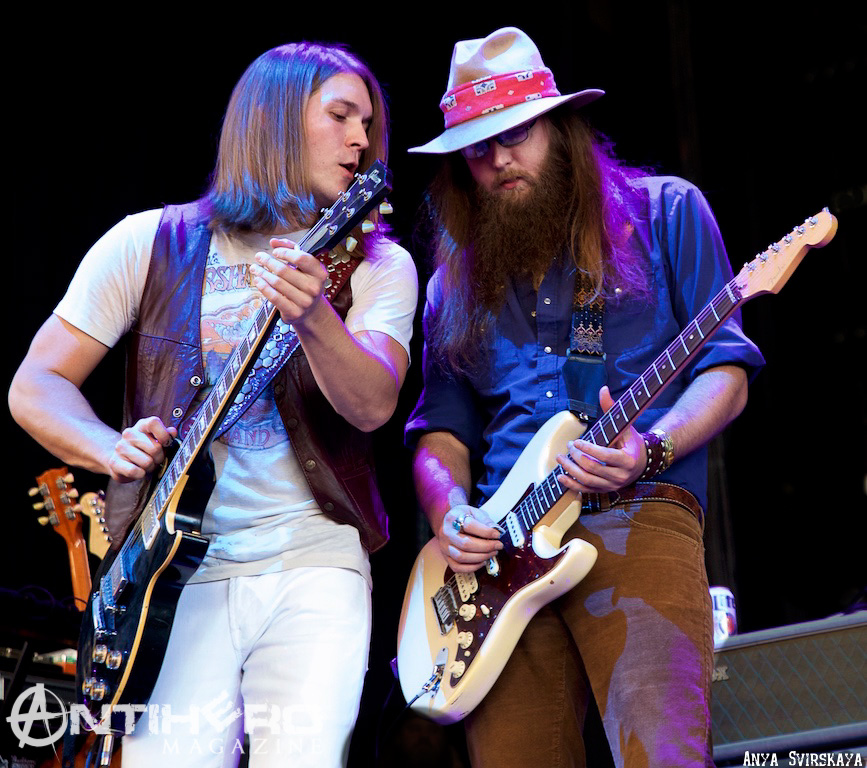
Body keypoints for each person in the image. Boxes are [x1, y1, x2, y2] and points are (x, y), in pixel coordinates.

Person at [9, 42, 417, 767]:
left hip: (312, 564)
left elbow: (373, 405)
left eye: (368, 122)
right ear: (274, 122)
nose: (362, 138)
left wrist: (317, 318)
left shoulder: (379, 264)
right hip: (171, 581)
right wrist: (108, 448)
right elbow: (35, 384)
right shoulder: (150, 241)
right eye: (340, 116)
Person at [404, 27, 764, 767]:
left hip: (640, 507)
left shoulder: (666, 213)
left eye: (516, 133)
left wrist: (650, 448)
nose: (499, 158)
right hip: (498, 560)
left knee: (659, 755)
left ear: (560, 128)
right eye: (477, 147)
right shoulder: (449, 287)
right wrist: (451, 512)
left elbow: (724, 372)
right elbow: (439, 432)